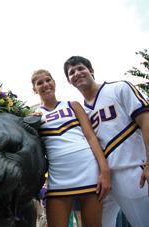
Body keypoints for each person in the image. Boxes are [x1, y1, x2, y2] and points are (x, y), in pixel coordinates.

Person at [64, 56, 149, 227]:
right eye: (71, 72)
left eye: (81, 68)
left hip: (133, 170)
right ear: (69, 81)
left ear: (91, 70)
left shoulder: (119, 88)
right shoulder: (82, 111)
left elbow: (146, 120)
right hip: (104, 179)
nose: (77, 73)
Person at [31, 69, 111, 227]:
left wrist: (104, 171)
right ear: (34, 89)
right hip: (59, 179)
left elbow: (91, 137)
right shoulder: (35, 116)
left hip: (89, 172)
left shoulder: (73, 105)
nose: (45, 84)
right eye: (40, 83)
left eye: (48, 80)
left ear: (54, 83)